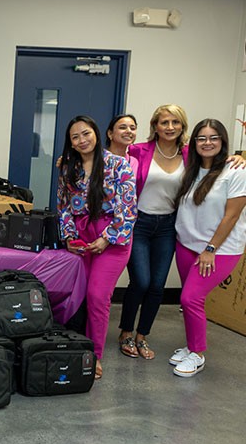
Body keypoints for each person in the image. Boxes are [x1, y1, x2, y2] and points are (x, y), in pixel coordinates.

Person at [117, 105, 245, 360]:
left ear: (183, 127)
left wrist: (241, 157)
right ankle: (125, 332)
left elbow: (219, 163)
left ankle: (142, 336)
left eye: (176, 122)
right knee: (141, 281)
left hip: (168, 227)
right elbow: (109, 156)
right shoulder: (139, 150)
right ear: (155, 125)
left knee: (157, 285)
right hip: (140, 224)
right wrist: (73, 158)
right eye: (164, 122)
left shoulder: (190, 155)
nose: (170, 127)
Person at [57, 115, 137, 380]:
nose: (82, 140)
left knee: (97, 296)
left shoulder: (118, 165)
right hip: (81, 238)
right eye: (75, 137)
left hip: (111, 239)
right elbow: (63, 207)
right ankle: (73, 346)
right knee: (78, 295)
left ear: (97, 133)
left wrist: (108, 237)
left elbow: (128, 209)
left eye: (86, 133)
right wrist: (69, 237)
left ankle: (95, 355)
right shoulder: (68, 168)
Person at [171, 119, 246, 377]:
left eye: (214, 137)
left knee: (190, 298)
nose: (207, 143)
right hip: (187, 245)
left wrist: (210, 249)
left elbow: (231, 217)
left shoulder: (235, 172)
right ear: (194, 143)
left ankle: (198, 354)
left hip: (219, 250)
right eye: (202, 138)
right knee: (192, 301)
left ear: (223, 141)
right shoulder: (191, 168)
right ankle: (191, 346)